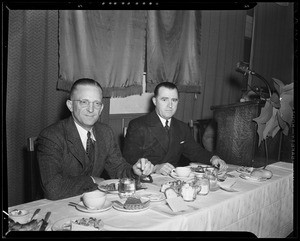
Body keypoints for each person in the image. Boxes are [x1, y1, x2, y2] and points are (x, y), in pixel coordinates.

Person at [37, 78, 154, 200]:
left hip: (94, 204)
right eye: (84, 102)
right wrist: (92, 180)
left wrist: (135, 172)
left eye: (96, 103)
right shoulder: (51, 136)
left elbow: (118, 169)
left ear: (101, 108)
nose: (91, 109)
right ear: (70, 105)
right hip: (58, 207)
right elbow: (53, 189)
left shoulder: (105, 132)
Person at [122, 82, 227, 176]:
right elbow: (129, 161)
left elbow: (196, 151)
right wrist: (155, 168)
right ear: (155, 101)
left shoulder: (181, 127)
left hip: (174, 181)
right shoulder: (138, 125)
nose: (170, 105)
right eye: (164, 99)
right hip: (146, 181)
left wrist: (213, 158)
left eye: (174, 100)